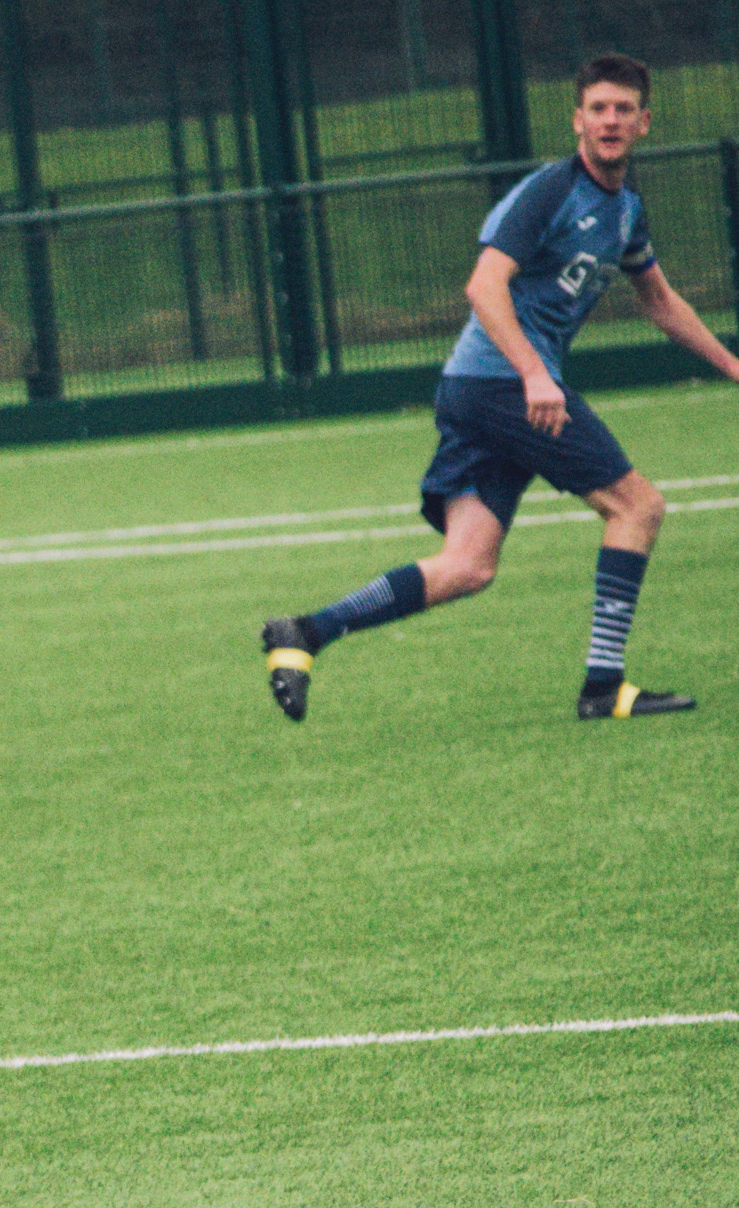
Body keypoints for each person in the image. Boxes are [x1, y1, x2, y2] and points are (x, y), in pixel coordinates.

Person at [261, 53, 739, 724]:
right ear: (577, 119)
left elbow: (658, 300)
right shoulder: (549, 191)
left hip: (485, 388)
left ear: (644, 123)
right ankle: (603, 686)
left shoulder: (626, 210)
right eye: (598, 108)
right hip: (502, 385)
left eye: (623, 109)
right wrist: (534, 372)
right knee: (638, 507)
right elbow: (483, 286)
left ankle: (303, 634)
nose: (610, 120)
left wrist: (731, 365)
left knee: (468, 565)